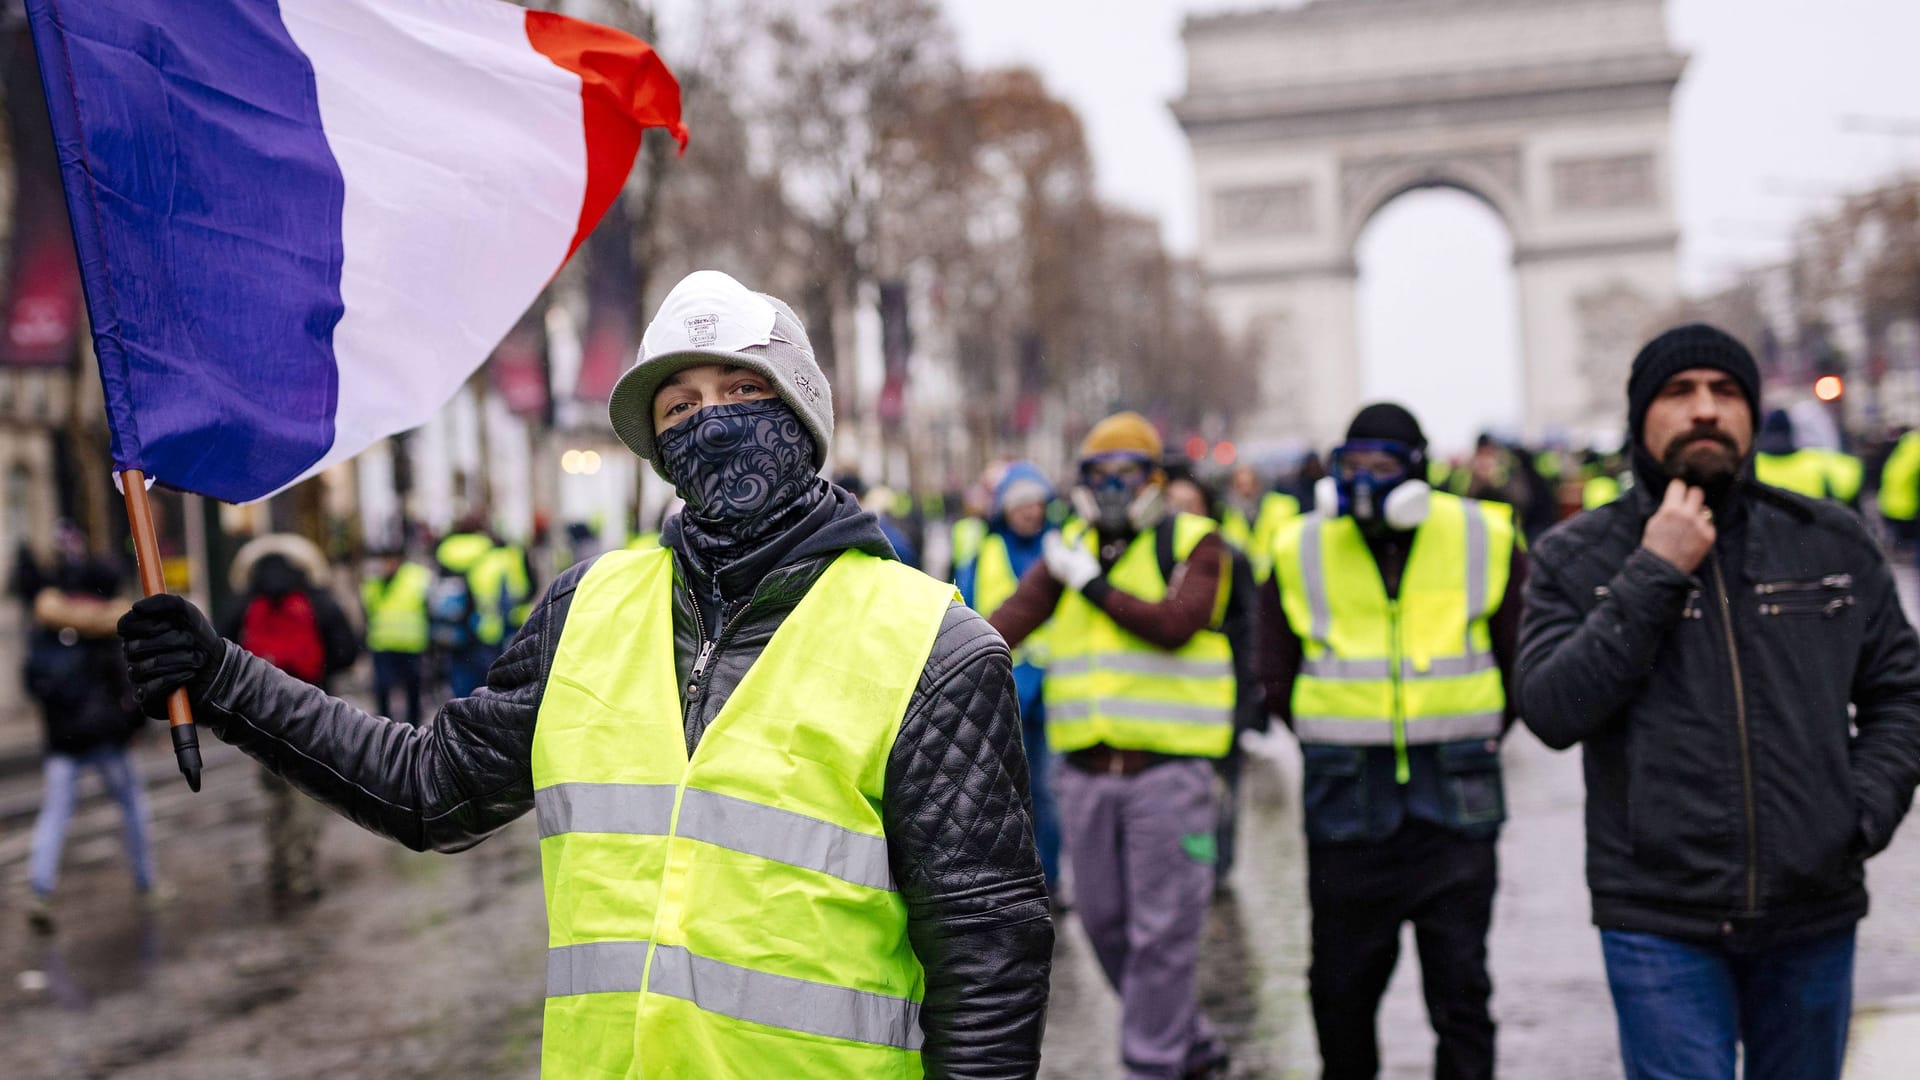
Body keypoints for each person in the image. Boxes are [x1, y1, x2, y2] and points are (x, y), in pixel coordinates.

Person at [120, 268, 1052, 1078]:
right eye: (680, 406)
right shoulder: (585, 610)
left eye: (741, 389)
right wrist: (224, 678)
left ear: (801, 414)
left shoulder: (932, 645)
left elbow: (990, 966)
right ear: (656, 447)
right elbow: (426, 790)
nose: (711, 419)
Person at [1517, 324, 1920, 1080]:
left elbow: (1903, 690)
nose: (1705, 409)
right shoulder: (1576, 557)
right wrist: (1653, 572)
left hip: (1814, 903)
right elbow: (1550, 710)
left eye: (1726, 391)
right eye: (1679, 392)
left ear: (1751, 411)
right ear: (1640, 415)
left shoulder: (1829, 540)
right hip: (1657, 913)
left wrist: (1859, 810)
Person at [1261, 403, 1524, 1080]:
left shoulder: (1484, 534)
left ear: (1418, 473)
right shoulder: (1299, 544)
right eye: (1352, 465)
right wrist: (1332, 730)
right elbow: (1272, 666)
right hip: (1347, 809)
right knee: (1340, 995)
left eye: (1382, 466)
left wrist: (1476, 729)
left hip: (1456, 807)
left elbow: (1522, 656)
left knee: (1462, 993)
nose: (1365, 481)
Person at [989, 411, 1233, 1080]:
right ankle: (1190, 1042)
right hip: (1087, 776)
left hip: (1169, 774)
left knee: (1163, 932)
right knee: (1102, 923)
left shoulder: (1196, 542)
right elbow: (1002, 625)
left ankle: (1152, 1063)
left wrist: (1090, 583)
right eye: (1100, 475)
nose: (1115, 488)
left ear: (1155, 479)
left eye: (1129, 474)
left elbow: (1175, 625)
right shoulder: (1065, 550)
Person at [23, 548, 160, 931]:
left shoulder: (46, 627)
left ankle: (40, 890)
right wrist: (135, 726)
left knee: (54, 815)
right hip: (106, 738)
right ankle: (147, 882)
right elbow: (127, 683)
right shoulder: (105, 625)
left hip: (62, 742)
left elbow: (32, 681)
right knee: (132, 805)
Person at [224, 535, 360, 905]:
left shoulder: (246, 603)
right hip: (309, 708)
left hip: (258, 713)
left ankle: (278, 864)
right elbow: (348, 649)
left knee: (275, 793)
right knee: (307, 791)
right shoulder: (317, 600)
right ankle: (302, 871)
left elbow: (222, 651)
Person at [954, 461, 1064, 904]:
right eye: (1021, 505)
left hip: (1056, 691)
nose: (1030, 512)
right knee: (1009, 794)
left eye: (1037, 504)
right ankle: (1018, 881)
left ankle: (1051, 879)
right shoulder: (987, 551)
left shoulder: (1060, 549)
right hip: (1007, 687)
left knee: (1050, 792)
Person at [360, 547, 431, 726]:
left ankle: (414, 727)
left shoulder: (416, 578)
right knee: (383, 690)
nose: (387, 565)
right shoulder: (373, 583)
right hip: (382, 644)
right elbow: (368, 611)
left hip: (411, 644)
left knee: (412, 690)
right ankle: (384, 726)